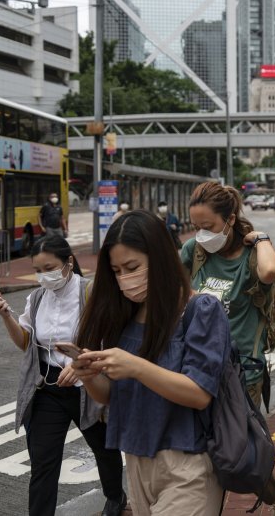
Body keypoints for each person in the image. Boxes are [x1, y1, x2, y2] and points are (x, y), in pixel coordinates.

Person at [68, 210, 228, 515]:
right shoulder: (123, 315)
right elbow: (110, 395)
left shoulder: (200, 310)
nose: (124, 278)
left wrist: (135, 366)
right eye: (116, 271)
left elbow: (199, 393)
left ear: (162, 260)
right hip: (137, 460)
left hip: (187, 463)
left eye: (132, 267)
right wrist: (88, 375)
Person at [0, 235, 126, 516]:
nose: (43, 276)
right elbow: (27, 342)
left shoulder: (91, 293)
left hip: (88, 382)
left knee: (104, 446)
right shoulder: (37, 298)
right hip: (48, 385)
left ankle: (115, 497)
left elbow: (107, 340)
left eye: (49, 268)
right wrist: (6, 318)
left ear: (69, 263)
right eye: (38, 270)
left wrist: (80, 365)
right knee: (43, 462)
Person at [180, 182, 275, 515]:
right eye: (196, 226)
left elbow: (272, 271)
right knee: (203, 458)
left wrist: (260, 238)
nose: (201, 234)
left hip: (242, 373)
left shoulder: (251, 255)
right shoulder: (195, 252)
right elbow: (170, 289)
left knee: (237, 456)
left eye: (209, 226)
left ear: (230, 220)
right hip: (197, 368)